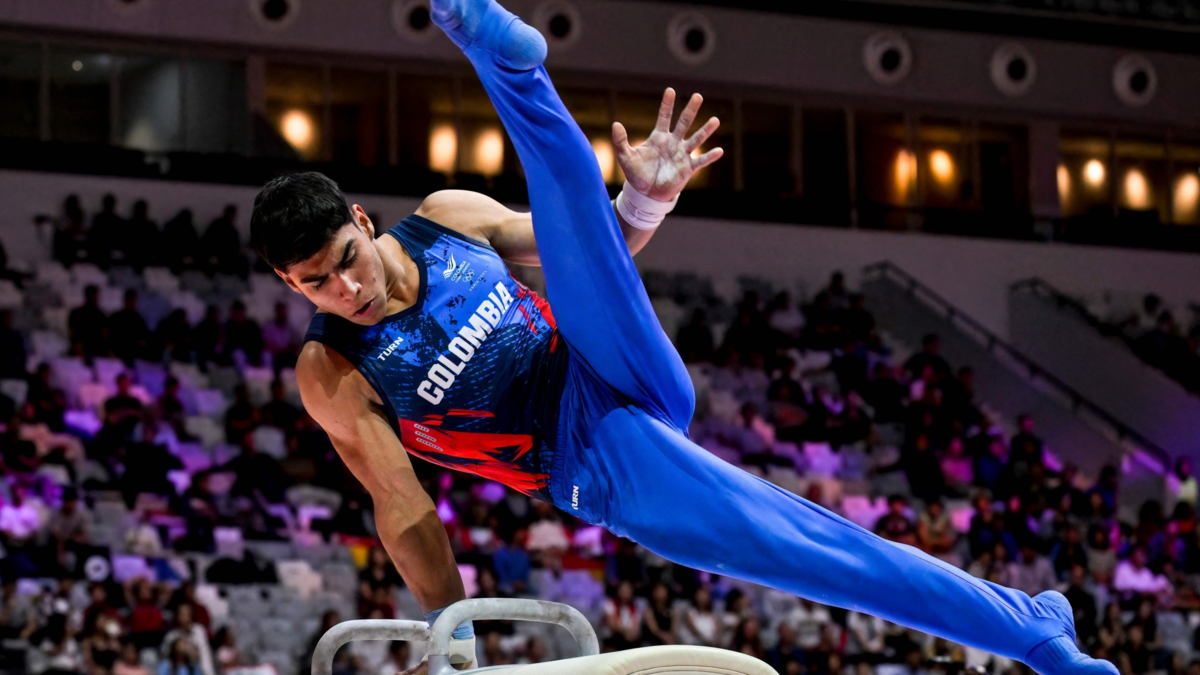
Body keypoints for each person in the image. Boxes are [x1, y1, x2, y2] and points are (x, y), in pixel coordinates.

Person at [250, 4, 1109, 674]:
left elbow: (591, 255)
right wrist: (453, 629)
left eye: (345, 259)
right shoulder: (333, 369)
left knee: (569, 217)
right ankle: (1028, 626)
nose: (348, 289)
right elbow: (403, 511)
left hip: (602, 353)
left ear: (362, 221)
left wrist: (643, 206)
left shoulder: (443, 221)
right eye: (316, 283)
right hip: (593, 452)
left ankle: (505, 61)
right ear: (291, 288)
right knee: (811, 550)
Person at [68, 285, 107, 358]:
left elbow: (104, 335)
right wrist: (77, 347)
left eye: (97, 296)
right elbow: (73, 333)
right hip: (81, 349)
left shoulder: (100, 315)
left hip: (97, 350)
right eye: (95, 296)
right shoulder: (77, 313)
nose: (97, 299)